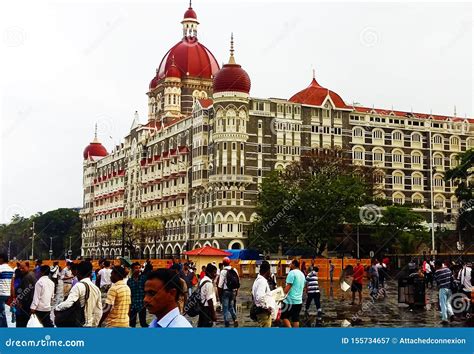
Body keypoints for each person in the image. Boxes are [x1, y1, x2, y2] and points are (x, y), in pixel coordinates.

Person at [55, 261, 102, 327]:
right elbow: (99, 311)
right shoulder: (96, 289)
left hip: (80, 324)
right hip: (90, 324)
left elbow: (68, 303)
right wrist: (95, 324)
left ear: (78, 272)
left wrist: (57, 308)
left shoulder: (78, 286)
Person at [281, 259, 305, 328]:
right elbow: (303, 287)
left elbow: (288, 286)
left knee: (283, 316)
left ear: (294, 264)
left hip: (290, 301)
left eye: (291, 263)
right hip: (299, 301)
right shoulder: (302, 274)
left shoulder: (292, 273)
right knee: (295, 319)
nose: (290, 265)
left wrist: (281, 296)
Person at [217, 257, 240, 327]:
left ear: (223, 264)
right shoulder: (234, 270)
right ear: (229, 262)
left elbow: (220, 285)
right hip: (233, 291)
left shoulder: (223, 271)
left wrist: (219, 295)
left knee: (225, 308)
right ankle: (235, 319)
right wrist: (236, 291)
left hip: (225, 292)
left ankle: (227, 322)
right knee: (231, 306)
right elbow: (238, 281)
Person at [14, 262, 37, 327]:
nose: (21, 269)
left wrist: (20, 302)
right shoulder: (32, 274)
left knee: (21, 323)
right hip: (29, 303)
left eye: (23, 268)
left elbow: (26, 293)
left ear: (28, 267)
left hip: (26, 304)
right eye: (20, 268)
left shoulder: (27, 277)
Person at [252, 261, 273, 327]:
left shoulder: (257, 280)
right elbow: (260, 297)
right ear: (268, 271)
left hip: (260, 312)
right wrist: (266, 308)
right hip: (263, 313)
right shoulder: (262, 281)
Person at [433, 260, 455, 325]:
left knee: (442, 304)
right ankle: (451, 314)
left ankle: (445, 319)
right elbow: (452, 279)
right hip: (449, 289)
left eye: (435, 265)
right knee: (448, 303)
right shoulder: (448, 270)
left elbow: (436, 281)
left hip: (442, 289)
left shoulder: (437, 272)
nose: (434, 267)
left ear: (437, 265)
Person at [127, 262, 148, 327]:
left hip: (142, 303)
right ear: (132, 270)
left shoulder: (144, 278)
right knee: (132, 323)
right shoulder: (130, 281)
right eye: (136, 268)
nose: (138, 269)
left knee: (143, 323)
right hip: (133, 304)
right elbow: (129, 294)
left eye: (139, 268)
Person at [198, 263, 217, 327]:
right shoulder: (208, 283)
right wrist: (213, 314)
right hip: (207, 309)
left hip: (202, 308)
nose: (215, 274)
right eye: (214, 273)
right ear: (209, 273)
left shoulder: (203, 280)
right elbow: (209, 300)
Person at [0, 254, 14, 327]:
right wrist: (13, 296)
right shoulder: (11, 269)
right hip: (7, 294)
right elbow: (12, 285)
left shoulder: (0, 268)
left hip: (0, 293)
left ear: (1, 259)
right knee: (2, 312)